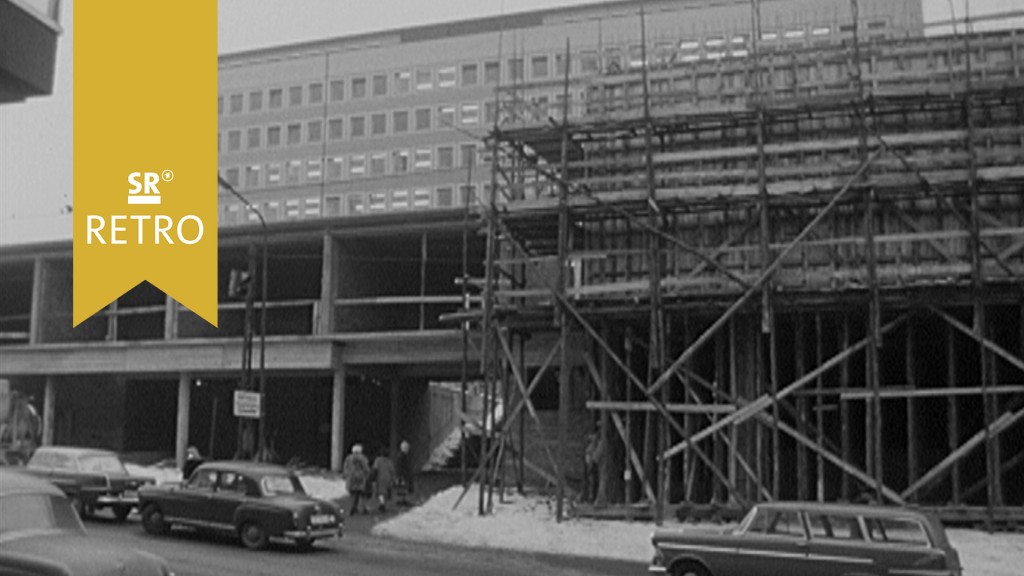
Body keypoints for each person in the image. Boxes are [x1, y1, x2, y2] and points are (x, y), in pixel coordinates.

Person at [342, 444, 370, 515]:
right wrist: (367, 474)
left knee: (353, 494)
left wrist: (345, 475)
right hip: (360, 477)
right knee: (361, 494)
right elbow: (366, 468)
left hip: (351, 477)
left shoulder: (348, 458)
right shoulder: (363, 458)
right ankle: (363, 508)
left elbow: (346, 467)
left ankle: (353, 507)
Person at [372, 448, 396, 513]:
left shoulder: (378, 460)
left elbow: (375, 469)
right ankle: (384, 504)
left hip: (380, 478)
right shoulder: (389, 461)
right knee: (386, 492)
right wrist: (393, 479)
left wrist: (373, 478)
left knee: (380, 492)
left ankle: (382, 504)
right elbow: (393, 471)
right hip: (388, 478)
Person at [584, 429, 605, 504]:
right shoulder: (594, 443)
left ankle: (592, 496)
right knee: (591, 480)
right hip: (592, 461)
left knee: (593, 480)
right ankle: (591, 496)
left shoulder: (598, 442)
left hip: (594, 462)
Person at [395, 440, 415, 505]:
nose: (408, 449)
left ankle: (403, 500)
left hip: (403, 474)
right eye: (407, 448)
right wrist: (402, 475)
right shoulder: (402, 456)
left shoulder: (402, 456)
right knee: (403, 487)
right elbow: (401, 466)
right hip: (403, 474)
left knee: (403, 488)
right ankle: (402, 500)